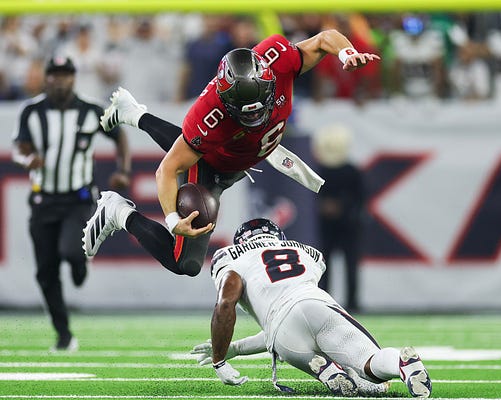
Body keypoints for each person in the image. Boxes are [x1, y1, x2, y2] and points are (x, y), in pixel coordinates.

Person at [82, 30, 380, 278]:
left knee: (193, 144)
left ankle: (133, 113)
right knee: (186, 264)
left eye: (260, 106)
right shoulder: (208, 116)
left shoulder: (277, 59)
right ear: (226, 102)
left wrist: (346, 54)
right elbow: (168, 170)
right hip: (212, 166)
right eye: (245, 113)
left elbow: (325, 38)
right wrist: (172, 221)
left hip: (243, 153)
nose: (256, 117)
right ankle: (117, 211)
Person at [190, 218, 431, 398]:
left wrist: (220, 358)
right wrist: (236, 348)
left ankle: (324, 369)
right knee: (369, 363)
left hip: (282, 332)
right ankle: (401, 364)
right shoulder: (305, 252)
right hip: (317, 305)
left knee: (292, 341)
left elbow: (226, 304)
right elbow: (298, 305)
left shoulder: (231, 256)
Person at [12, 56, 131, 352]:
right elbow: (19, 146)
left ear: (73, 79)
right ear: (46, 78)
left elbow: (119, 137)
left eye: (65, 75)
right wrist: (27, 158)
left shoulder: (91, 110)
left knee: (70, 250)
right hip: (43, 199)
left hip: (78, 198)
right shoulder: (32, 110)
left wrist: (123, 171)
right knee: (45, 272)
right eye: (54, 74)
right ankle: (63, 334)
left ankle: (80, 264)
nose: (59, 80)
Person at [312, 125, 365, 312]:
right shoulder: (320, 170)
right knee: (323, 266)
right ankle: (325, 302)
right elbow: (311, 198)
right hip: (327, 226)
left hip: (348, 225)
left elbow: (361, 198)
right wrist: (323, 206)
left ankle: (353, 303)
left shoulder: (351, 171)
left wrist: (340, 206)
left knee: (350, 265)